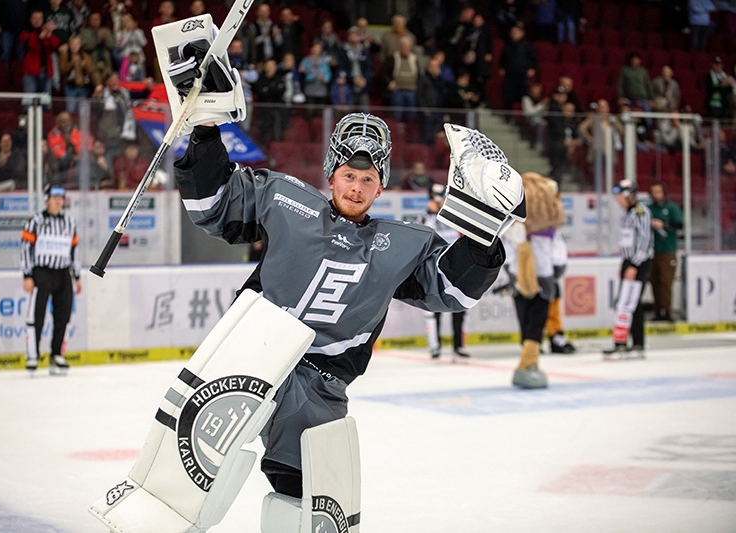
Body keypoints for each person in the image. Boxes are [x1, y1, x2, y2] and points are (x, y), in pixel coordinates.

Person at [161, 35, 525, 525]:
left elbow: (452, 290)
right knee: (188, 465)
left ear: (381, 185)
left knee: (307, 495)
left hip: (319, 382)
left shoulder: (402, 244)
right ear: (331, 175)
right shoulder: (283, 199)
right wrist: (205, 125)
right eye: (349, 177)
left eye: (368, 180)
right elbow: (213, 205)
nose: (356, 188)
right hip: (250, 354)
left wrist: (483, 233)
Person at [502, 172, 567, 388]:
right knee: (536, 322)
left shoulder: (512, 230)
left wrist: (511, 273)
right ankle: (528, 364)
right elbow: (558, 255)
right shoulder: (549, 231)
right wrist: (556, 272)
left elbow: (506, 254)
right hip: (543, 277)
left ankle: (528, 363)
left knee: (525, 320)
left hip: (519, 277)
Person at [20, 184, 81, 374]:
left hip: (63, 273)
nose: (58, 202)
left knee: (63, 317)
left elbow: (74, 250)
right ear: (46, 199)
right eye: (54, 198)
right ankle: (32, 355)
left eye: (61, 198)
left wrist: (77, 276)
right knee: (36, 316)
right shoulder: (35, 221)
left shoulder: (70, 222)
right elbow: (25, 248)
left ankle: (57, 354)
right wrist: (27, 274)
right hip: (42, 272)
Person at [419, 183, 471, 359]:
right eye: (440, 198)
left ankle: (459, 346)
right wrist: (431, 213)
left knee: (460, 307)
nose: (443, 201)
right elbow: (423, 237)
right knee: (432, 310)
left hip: (455, 267)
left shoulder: (455, 216)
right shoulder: (426, 216)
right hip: (433, 269)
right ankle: (434, 346)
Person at [604, 179, 653, 359]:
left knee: (630, 303)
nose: (618, 200)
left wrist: (634, 265)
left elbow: (645, 241)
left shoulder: (641, 213)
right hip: (628, 261)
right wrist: (625, 264)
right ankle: (622, 342)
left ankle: (635, 344)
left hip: (638, 263)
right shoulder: (628, 214)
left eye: (620, 196)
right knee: (625, 303)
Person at [647, 182, 683, 322]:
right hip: (652, 251)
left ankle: (666, 311)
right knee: (654, 281)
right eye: (653, 192)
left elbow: (679, 224)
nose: (656, 195)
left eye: (658, 192)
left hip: (667, 250)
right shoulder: (648, 209)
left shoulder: (671, 208)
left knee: (666, 282)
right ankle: (657, 311)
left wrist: (663, 224)